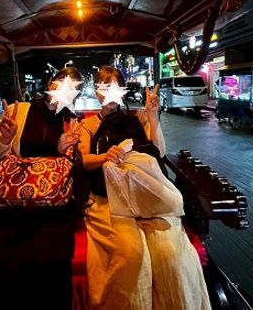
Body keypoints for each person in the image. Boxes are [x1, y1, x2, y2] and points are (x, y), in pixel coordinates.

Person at [78, 65, 211, 310]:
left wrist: (152, 116)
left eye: (116, 87)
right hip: (109, 198)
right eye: (105, 87)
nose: (110, 93)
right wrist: (106, 156)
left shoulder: (137, 118)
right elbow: (84, 160)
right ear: (96, 91)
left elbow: (159, 151)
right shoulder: (87, 125)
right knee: (132, 253)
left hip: (145, 193)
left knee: (169, 251)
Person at [0, 67, 84, 310]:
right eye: (61, 82)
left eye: (73, 88)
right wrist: (5, 139)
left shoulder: (70, 121)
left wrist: (63, 150)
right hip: (13, 200)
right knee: (1, 256)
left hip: (51, 203)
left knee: (52, 258)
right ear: (50, 82)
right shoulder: (20, 111)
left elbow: (71, 167)